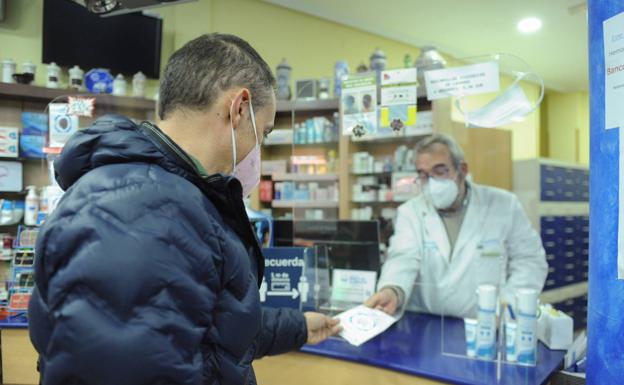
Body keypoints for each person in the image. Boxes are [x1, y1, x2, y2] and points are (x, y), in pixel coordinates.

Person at [28, 33, 341, 385]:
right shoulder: (146, 209)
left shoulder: (171, 195)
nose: (259, 151)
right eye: (263, 133)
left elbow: (203, 326)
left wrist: (298, 327)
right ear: (238, 108)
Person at [365, 134, 548, 318]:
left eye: (440, 171)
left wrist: (508, 308)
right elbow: (403, 258)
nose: (432, 183)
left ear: (462, 169)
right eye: (423, 175)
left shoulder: (503, 205)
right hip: (428, 324)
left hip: (485, 323)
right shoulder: (411, 212)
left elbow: (529, 260)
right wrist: (393, 290)